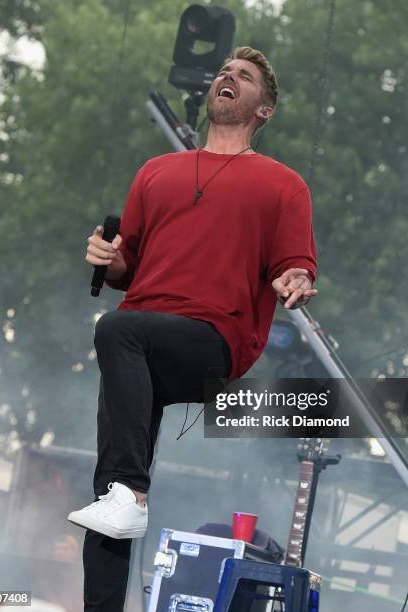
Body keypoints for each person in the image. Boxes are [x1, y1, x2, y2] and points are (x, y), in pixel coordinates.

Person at [67, 46, 318, 610]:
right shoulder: (156, 172)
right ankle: (118, 520)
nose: (229, 76)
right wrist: (105, 257)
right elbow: (125, 266)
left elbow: (294, 263)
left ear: (264, 110)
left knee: (115, 332)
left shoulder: (283, 185)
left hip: (212, 342)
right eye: (226, 71)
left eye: (245, 76)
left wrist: (297, 277)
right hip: (144, 337)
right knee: (106, 499)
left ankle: (131, 492)